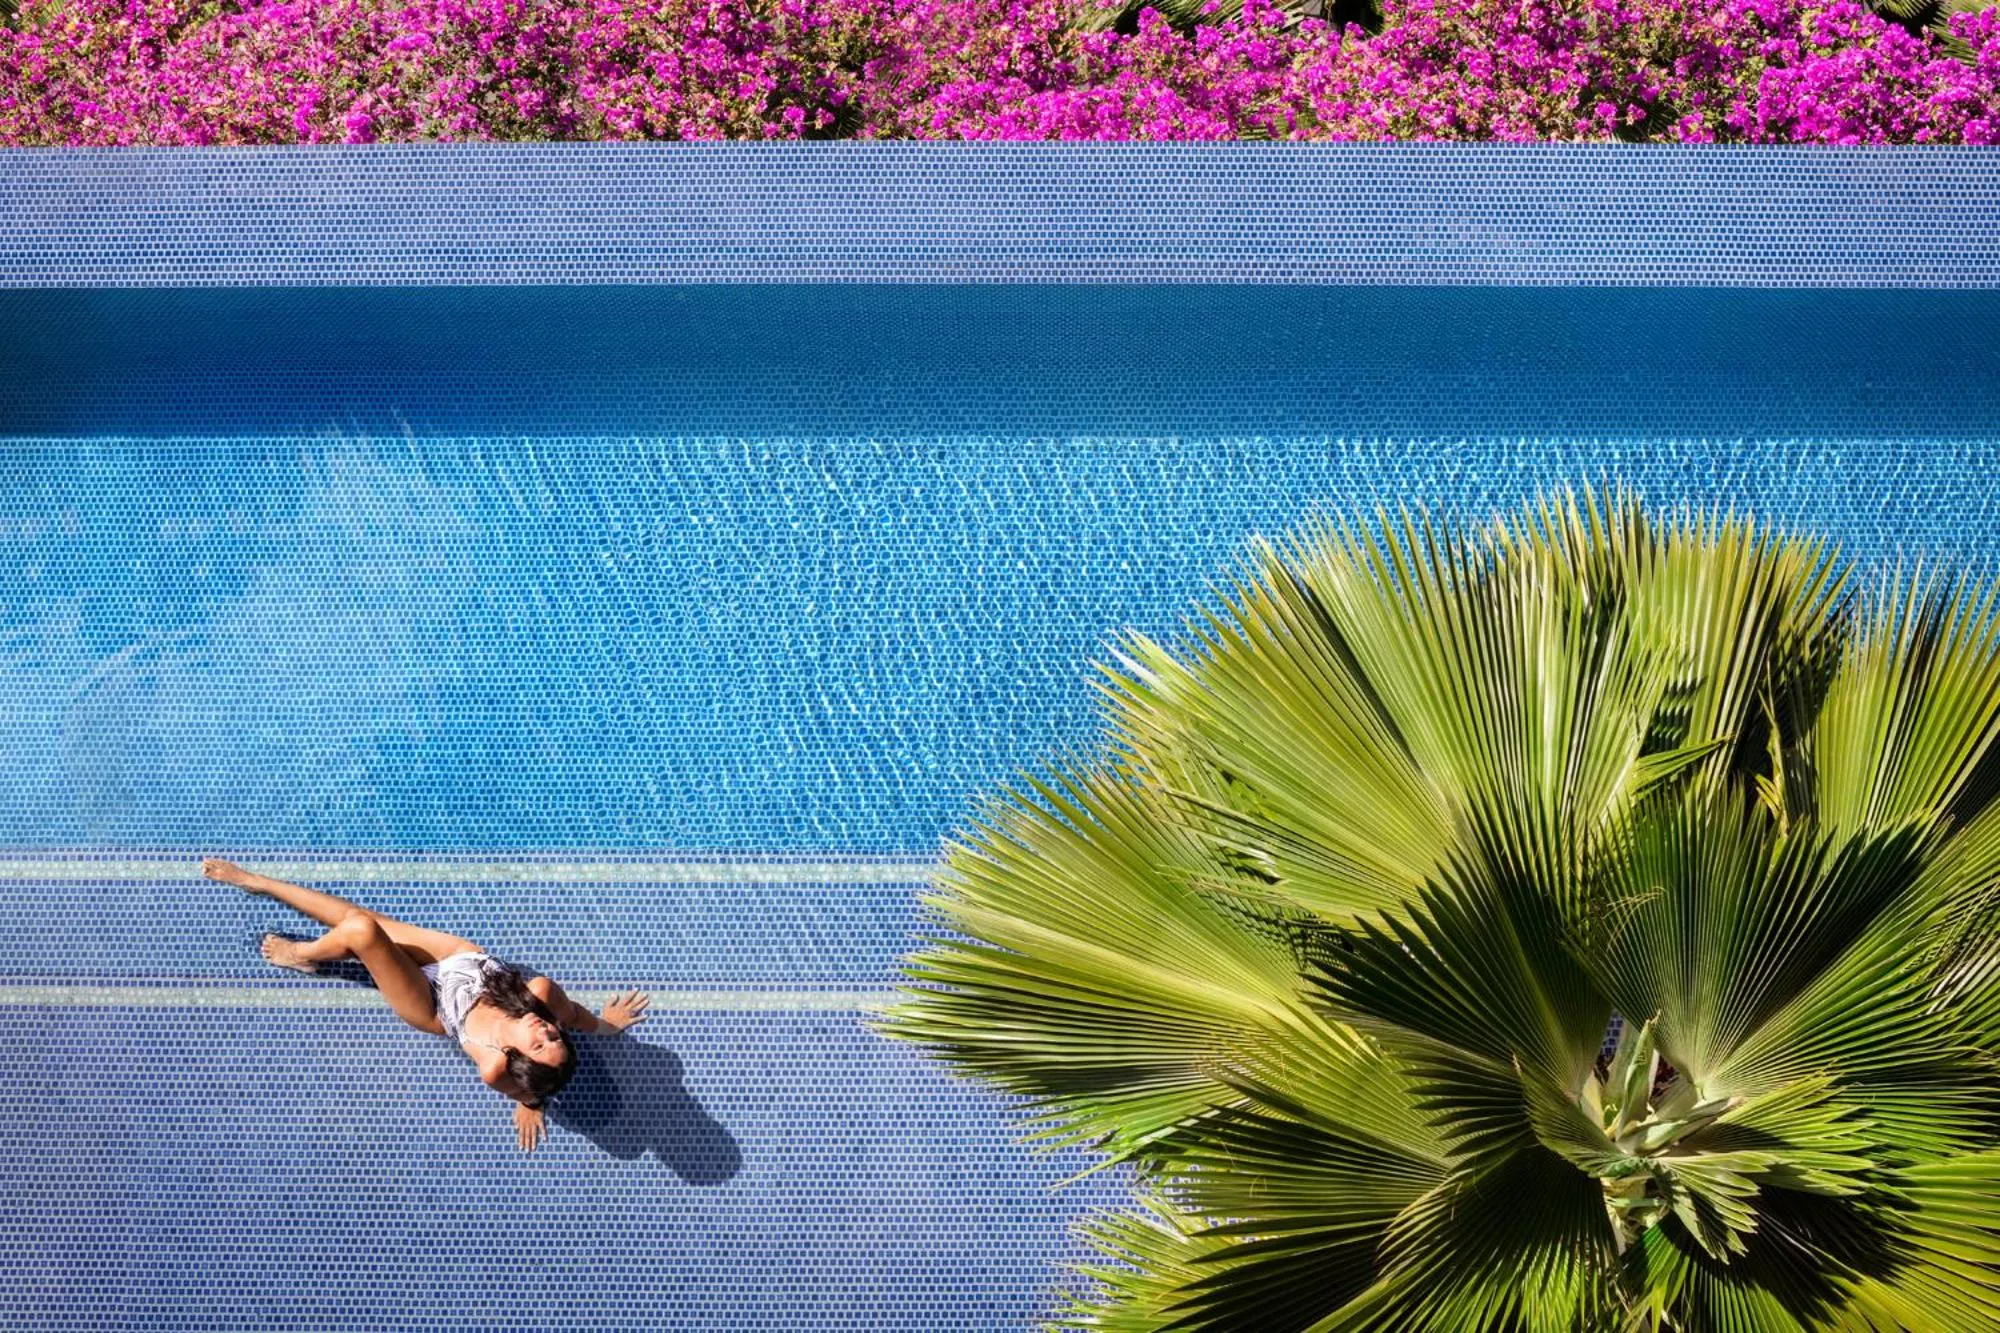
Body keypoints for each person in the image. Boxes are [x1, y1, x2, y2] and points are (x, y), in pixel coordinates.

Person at [202, 857, 650, 1152]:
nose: (545, 1029)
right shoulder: (544, 997)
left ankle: (303, 956)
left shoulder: (495, 1067)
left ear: (519, 1058)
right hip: (461, 964)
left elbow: (524, 1085)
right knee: (361, 920)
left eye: (540, 1043)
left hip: (433, 1007)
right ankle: (258, 882)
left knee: (361, 932)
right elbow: (576, 1018)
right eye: (553, 1036)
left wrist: (531, 1102)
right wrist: (607, 1025)